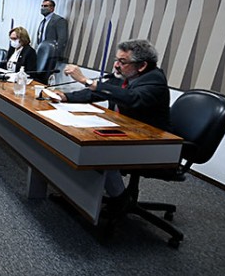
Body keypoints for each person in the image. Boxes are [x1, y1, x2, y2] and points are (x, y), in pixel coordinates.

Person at [53, 39, 170, 214]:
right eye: (116, 60)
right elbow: (98, 92)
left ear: (142, 66)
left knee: (97, 150)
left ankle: (119, 200)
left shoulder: (154, 81)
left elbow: (131, 98)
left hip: (150, 142)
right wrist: (66, 97)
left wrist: (85, 80)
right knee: (79, 139)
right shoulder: (125, 76)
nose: (116, 65)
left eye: (122, 62)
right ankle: (79, 195)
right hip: (125, 132)